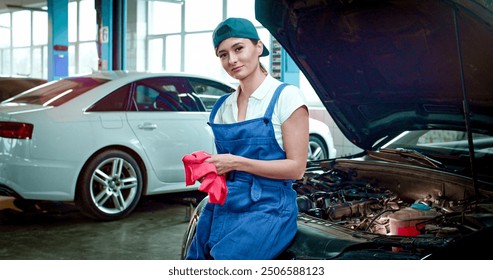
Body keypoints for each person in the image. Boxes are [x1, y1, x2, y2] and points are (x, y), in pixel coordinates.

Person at [185, 17, 309, 260]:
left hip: (270, 206)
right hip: (225, 201)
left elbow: (296, 169)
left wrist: (235, 162)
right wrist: (211, 167)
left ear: (259, 48)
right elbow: (225, 164)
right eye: (223, 54)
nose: (231, 60)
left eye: (238, 48)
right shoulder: (222, 107)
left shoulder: (286, 98)